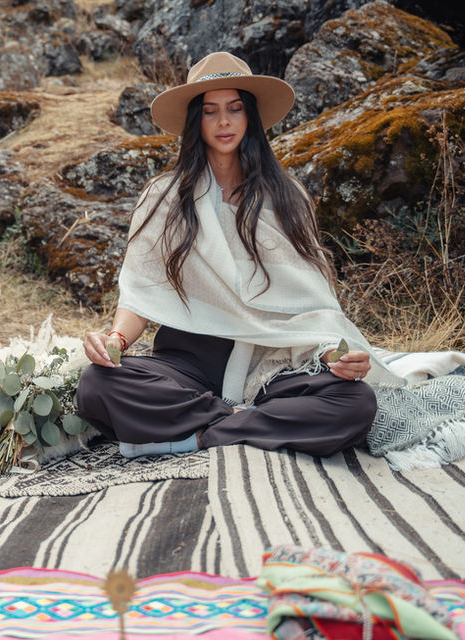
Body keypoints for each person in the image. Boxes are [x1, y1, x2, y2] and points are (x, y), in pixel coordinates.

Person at [76, 52, 380, 459]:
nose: (224, 122)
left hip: (272, 362)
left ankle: (199, 436)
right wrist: (113, 340)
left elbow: (310, 301)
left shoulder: (288, 198)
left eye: (235, 109)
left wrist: (334, 356)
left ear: (249, 117)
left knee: (356, 403)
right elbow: (141, 291)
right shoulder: (163, 196)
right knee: (96, 385)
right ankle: (256, 420)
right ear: (194, 121)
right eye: (211, 111)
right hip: (188, 361)